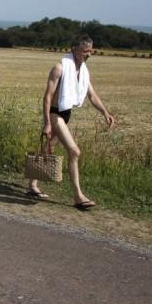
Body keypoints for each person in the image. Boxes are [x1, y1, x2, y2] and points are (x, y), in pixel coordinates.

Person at [26, 35, 116, 210]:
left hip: (66, 114)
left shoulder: (82, 71)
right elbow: (47, 97)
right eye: (85, 51)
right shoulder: (59, 68)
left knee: (47, 149)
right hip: (54, 114)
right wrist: (47, 123)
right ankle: (78, 196)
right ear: (74, 48)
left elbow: (92, 95)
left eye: (91, 51)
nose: (88, 54)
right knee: (74, 151)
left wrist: (105, 113)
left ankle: (32, 185)